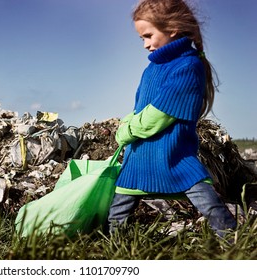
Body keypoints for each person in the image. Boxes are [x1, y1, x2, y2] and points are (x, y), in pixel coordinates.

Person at [107, 0, 237, 239]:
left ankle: (233, 242)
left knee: (209, 204)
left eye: (148, 35)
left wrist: (125, 132)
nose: (145, 45)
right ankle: (115, 250)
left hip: (173, 156)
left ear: (172, 29)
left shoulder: (188, 66)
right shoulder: (151, 69)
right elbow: (140, 109)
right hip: (139, 159)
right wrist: (125, 122)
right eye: (141, 39)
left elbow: (159, 114)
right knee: (117, 214)